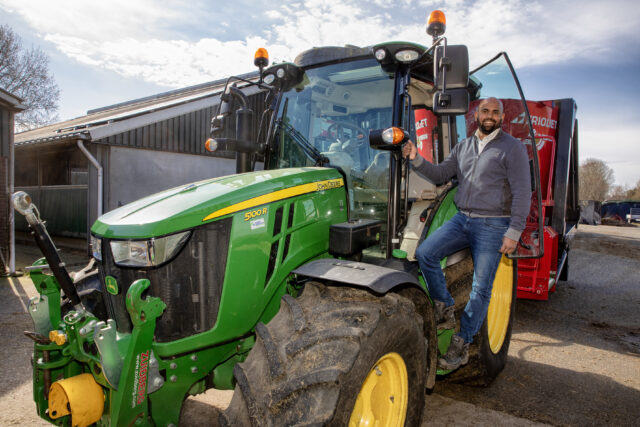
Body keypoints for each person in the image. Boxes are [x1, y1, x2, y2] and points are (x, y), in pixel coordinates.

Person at [402, 97, 531, 370]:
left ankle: (461, 343)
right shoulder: (464, 147)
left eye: (496, 112)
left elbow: (522, 192)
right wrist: (415, 158)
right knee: (426, 252)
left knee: (481, 289)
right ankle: (445, 306)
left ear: (502, 118)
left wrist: (514, 232)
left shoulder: (512, 148)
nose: (490, 116)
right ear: (477, 115)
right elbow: (439, 174)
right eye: (485, 111)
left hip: (493, 225)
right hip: (462, 219)